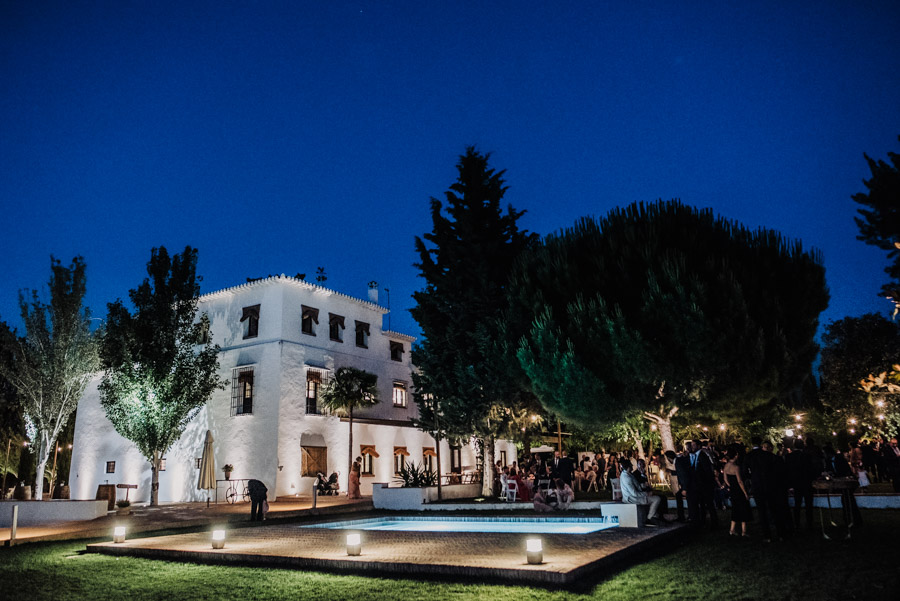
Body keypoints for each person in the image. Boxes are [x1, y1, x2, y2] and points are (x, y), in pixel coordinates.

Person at [618, 459, 661, 526]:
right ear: (629, 467)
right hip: (632, 499)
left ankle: (654, 517)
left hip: (634, 496)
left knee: (655, 500)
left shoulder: (627, 474)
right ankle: (649, 518)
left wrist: (644, 485)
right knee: (657, 499)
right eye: (631, 465)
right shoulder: (627, 478)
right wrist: (646, 494)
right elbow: (634, 493)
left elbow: (636, 486)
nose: (632, 466)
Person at [723, 448, 752, 536]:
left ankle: (732, 529)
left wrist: (730, 486)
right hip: (739, 490)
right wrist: (745, 493)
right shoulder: (736, 467)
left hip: (733, 490)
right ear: (735, 456)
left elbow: (725, 479)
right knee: (743, 509)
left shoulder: (726, 466)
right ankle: (744, 531)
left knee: (735, 509)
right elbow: (740, 481)